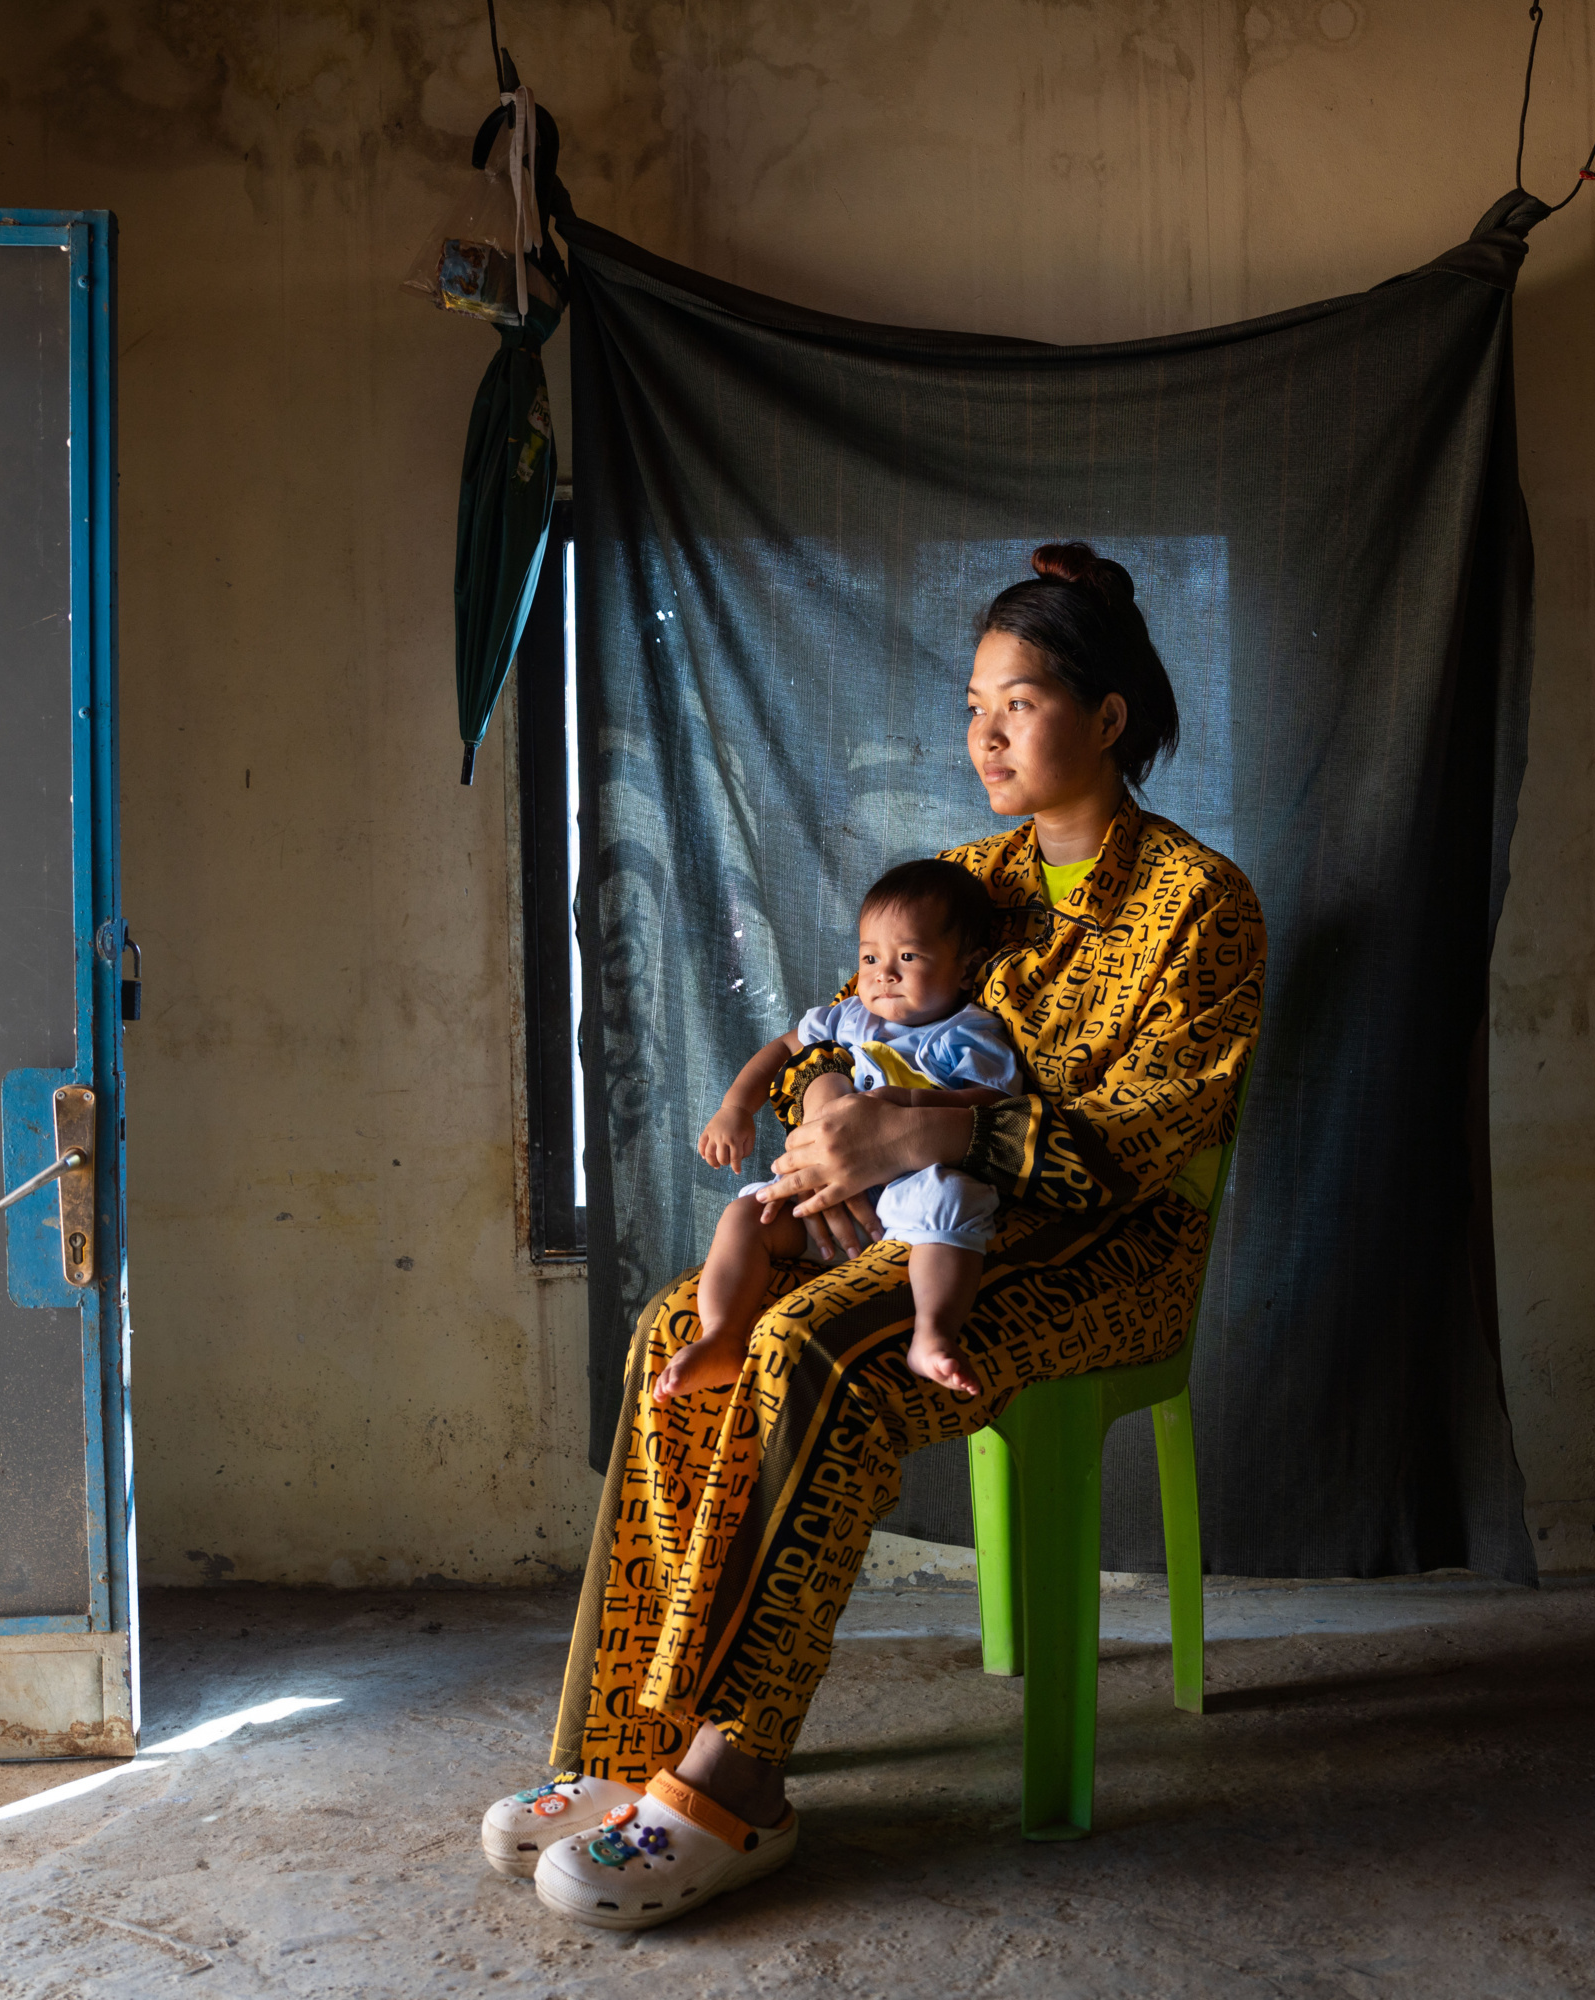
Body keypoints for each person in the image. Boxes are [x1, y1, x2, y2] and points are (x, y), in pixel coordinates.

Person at [483, 542, 1265, 1932]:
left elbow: (1136, 1145)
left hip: (1104, 1255)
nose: (984, 734)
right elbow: (826, 1039)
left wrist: (926, 1136)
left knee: (818, 1355)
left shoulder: (1202, 907)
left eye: (1017, 703)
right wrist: (833, 1123)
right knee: (684, 1327)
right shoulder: (965, 879)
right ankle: (630, 1744)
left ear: (1109, 716)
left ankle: (736, 1779)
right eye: (974, 705)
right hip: (908, 1233)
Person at [663, 858, 1023, 1406]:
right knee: (744, 1216)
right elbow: (785, 1049)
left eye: (908, 956)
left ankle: (932, 1332)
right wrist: (736, 1105)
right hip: (823, 1209)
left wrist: (910, 1102)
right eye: (870, 957)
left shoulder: (967, 1031)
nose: (884, 974)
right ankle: (722, 1334)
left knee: (953, 1206)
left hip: (907, 1197)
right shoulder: (848, 1016)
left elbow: (996, 1102)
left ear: (966, 966)